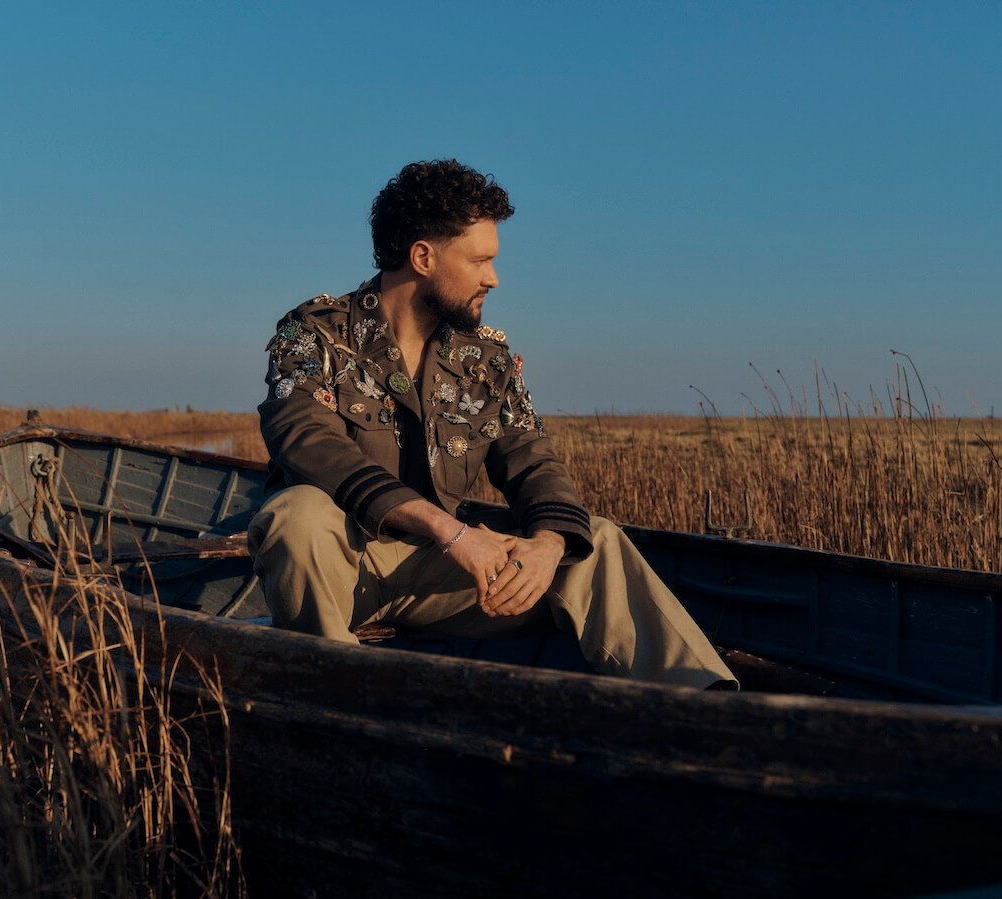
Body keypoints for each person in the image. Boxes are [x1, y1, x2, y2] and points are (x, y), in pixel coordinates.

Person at [243, 159, 737, 690]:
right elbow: (306, 441)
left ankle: (712, 715)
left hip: (442, 578)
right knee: (297, 515)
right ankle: (343, 702)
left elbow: (533, 459)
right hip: (339, 569)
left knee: (593, 540)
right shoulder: (312, 334)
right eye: (480, 260)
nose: (493, 278)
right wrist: (449, 531)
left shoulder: (487, 360)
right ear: (423, 256)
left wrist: (547, 545)